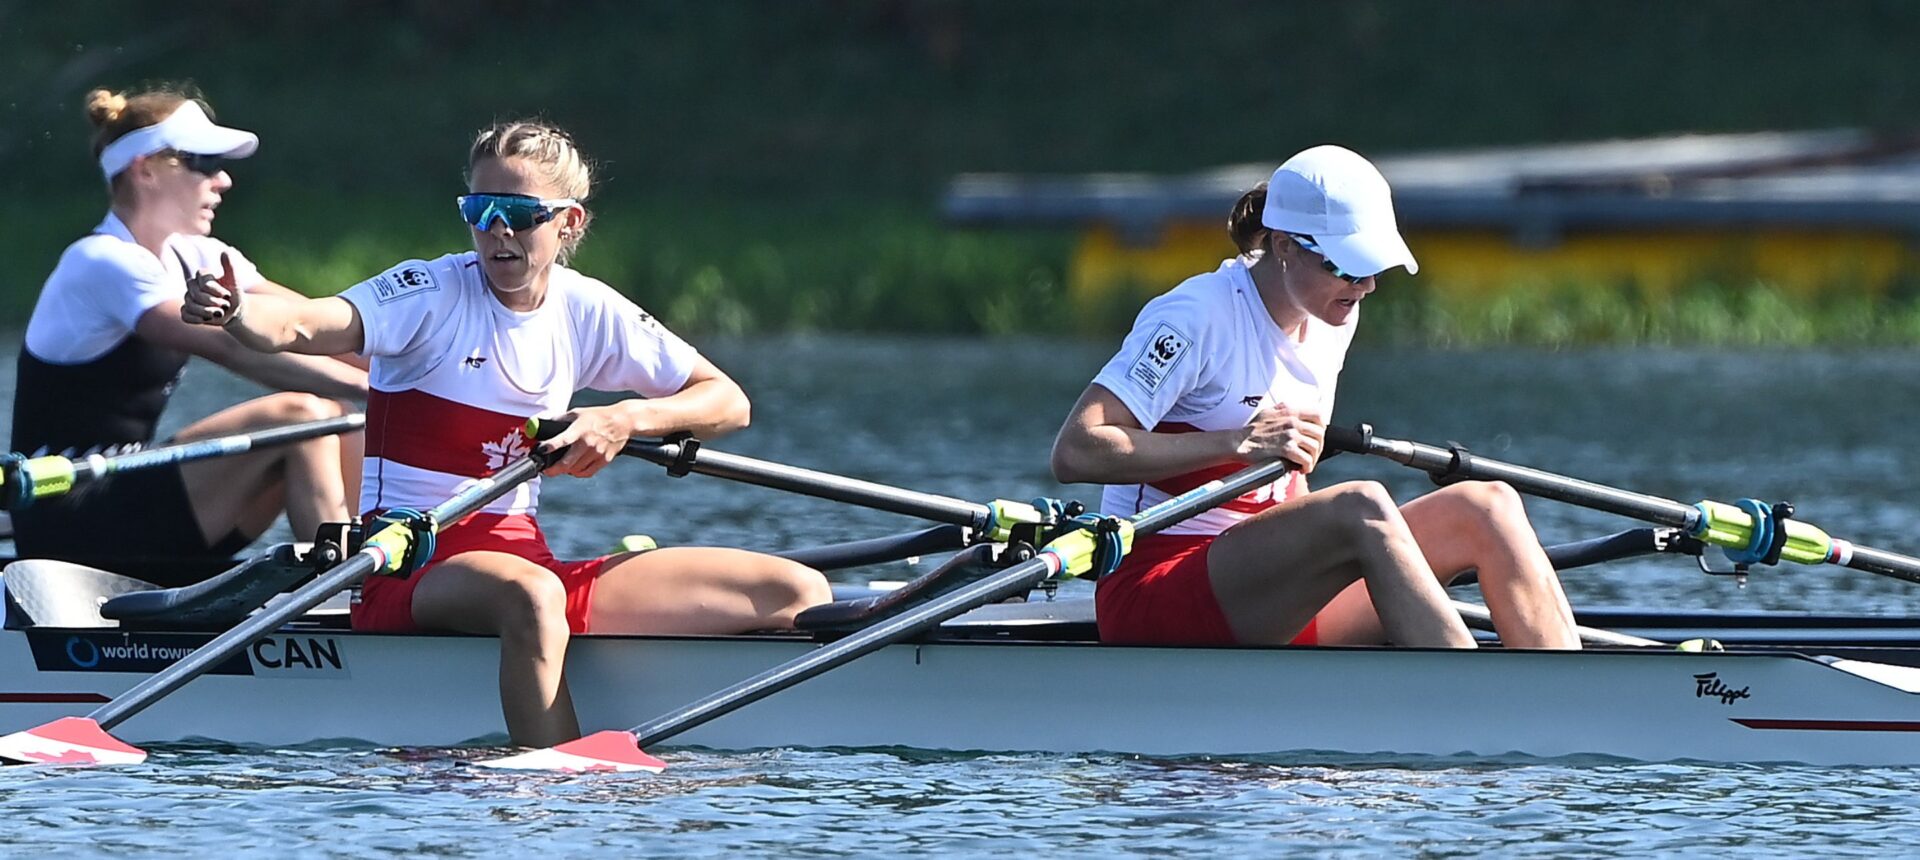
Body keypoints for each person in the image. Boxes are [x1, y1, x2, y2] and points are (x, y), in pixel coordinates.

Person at [182, 120, 833, 746]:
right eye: (480, 209)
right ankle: (547, 786)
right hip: (409, 566)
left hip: (526, 561)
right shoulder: (429, 293)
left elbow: (726, 401)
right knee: (533, 595)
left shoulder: (586, 309)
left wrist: (623, 416)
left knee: (794, 590)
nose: (496, 231)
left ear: (568, 222)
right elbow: (303, 323)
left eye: (518, 214)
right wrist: (239, 313)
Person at [1049, 145, 1580, 651]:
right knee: (1362, 504)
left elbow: (1289, 484)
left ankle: (1571, 695)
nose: (1365, 286)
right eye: (1347, 267)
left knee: (1487, 504)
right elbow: (1076, 450)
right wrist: (1238, 442)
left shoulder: (1332, 314)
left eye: (1371, 268)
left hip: (1274, 595)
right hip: (1158, 591)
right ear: (1283, 245)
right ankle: (1484, 704)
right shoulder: (1194, 318)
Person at [10, 85, 366, 584]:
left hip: (131, 499)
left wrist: (430, 371)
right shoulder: (100, 262)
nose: (222, 180)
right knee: (304, 415)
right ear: (146, 168)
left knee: (344, 422)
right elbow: (231, 346)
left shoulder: (199, 256)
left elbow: (314, 327)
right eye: (204, 163)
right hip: (66, 514)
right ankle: (345, 591)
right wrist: (374, 389)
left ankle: (356, 569)